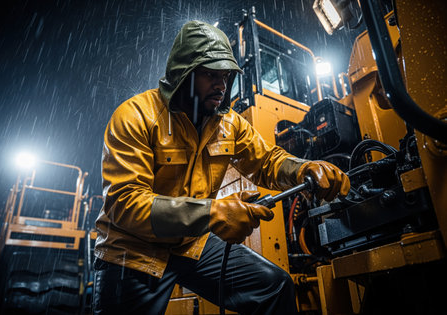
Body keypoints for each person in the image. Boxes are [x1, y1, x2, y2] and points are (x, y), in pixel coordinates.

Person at [93, 20, 350, 314]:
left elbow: (267, 161)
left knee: (275, 285)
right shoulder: (135, 116)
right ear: (183, 74)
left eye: (225, 75)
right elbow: (126, 205)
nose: (222, 85)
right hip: (133, 250)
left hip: (192, 245)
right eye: (210, 75)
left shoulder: (229, 123)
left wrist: (304, 168)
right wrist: (211, 212)